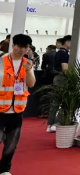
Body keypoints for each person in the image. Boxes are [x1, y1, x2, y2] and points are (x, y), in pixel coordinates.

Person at [0, 34, 35, 175]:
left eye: (26, 47)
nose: (23, 50)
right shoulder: (1, 61)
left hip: (17, 110)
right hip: (0, 109)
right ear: (13, 45)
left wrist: (28, 71)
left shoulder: (28, 63)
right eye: (20, 46)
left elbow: (31, 84)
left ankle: (4, 169)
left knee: (12, 143)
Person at [47, 36, 71, 133]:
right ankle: (56, 123)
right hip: (62, 78)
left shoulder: (60, 52)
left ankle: (51, 123)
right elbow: (65, 68)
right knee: (61, 101)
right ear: (67, 42)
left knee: (56, 101)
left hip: (58, 78)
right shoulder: (63, 53)